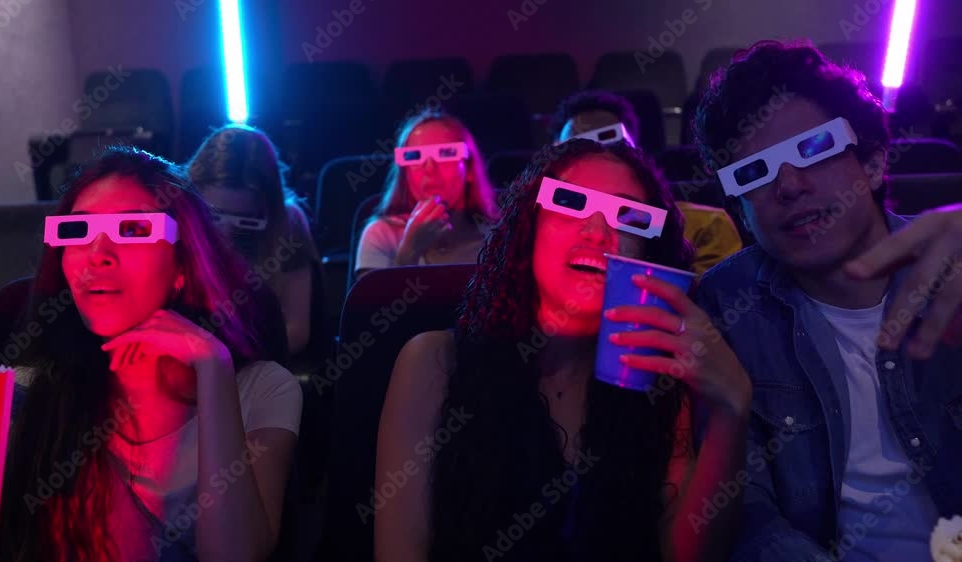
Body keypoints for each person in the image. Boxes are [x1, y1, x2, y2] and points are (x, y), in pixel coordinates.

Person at [375, 139, 753, 562]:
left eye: (628, 216)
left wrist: (730, 412)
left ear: (649, 253)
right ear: (529, 227)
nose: (598, 231)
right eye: (571, 203)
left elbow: (682, 556)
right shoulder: (434, 363)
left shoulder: (658, 376)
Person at [692, 40, 962, 562]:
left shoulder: (952, 268)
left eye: (813, 148)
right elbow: (748, 514)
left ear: (874, 163)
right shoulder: (727, 306)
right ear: (740, 211)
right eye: (754, 172)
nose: (788, 186)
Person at [0, 147, 302, 562]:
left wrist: (214, 370)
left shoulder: (262, 388)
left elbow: (234, 555)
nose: (98, 255)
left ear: (182, 267)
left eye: (133, 230)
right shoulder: (21, 395)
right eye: (78, 231)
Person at [551, 90, 744, 277]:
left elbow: (697, 297)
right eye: (576, 152)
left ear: (637, 155)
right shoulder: (544, 225)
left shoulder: (705, 226)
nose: (596, 164)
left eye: (612, 148)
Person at [187, 124, 328, 365]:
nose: (227, 233)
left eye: (245, 220)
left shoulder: (289, 224)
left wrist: (225, 359)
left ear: (267, 209)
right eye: (214, 216)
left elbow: (296, 332)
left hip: (259, 368)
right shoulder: (176, 218)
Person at [354, 110, 501, 281]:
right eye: (414, 156)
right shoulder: (381, 236)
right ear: (405, 175)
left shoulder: (497, 235)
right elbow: (376, 300)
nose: (430, 168)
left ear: (468, 169)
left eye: (445, 153)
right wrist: (411, 250)